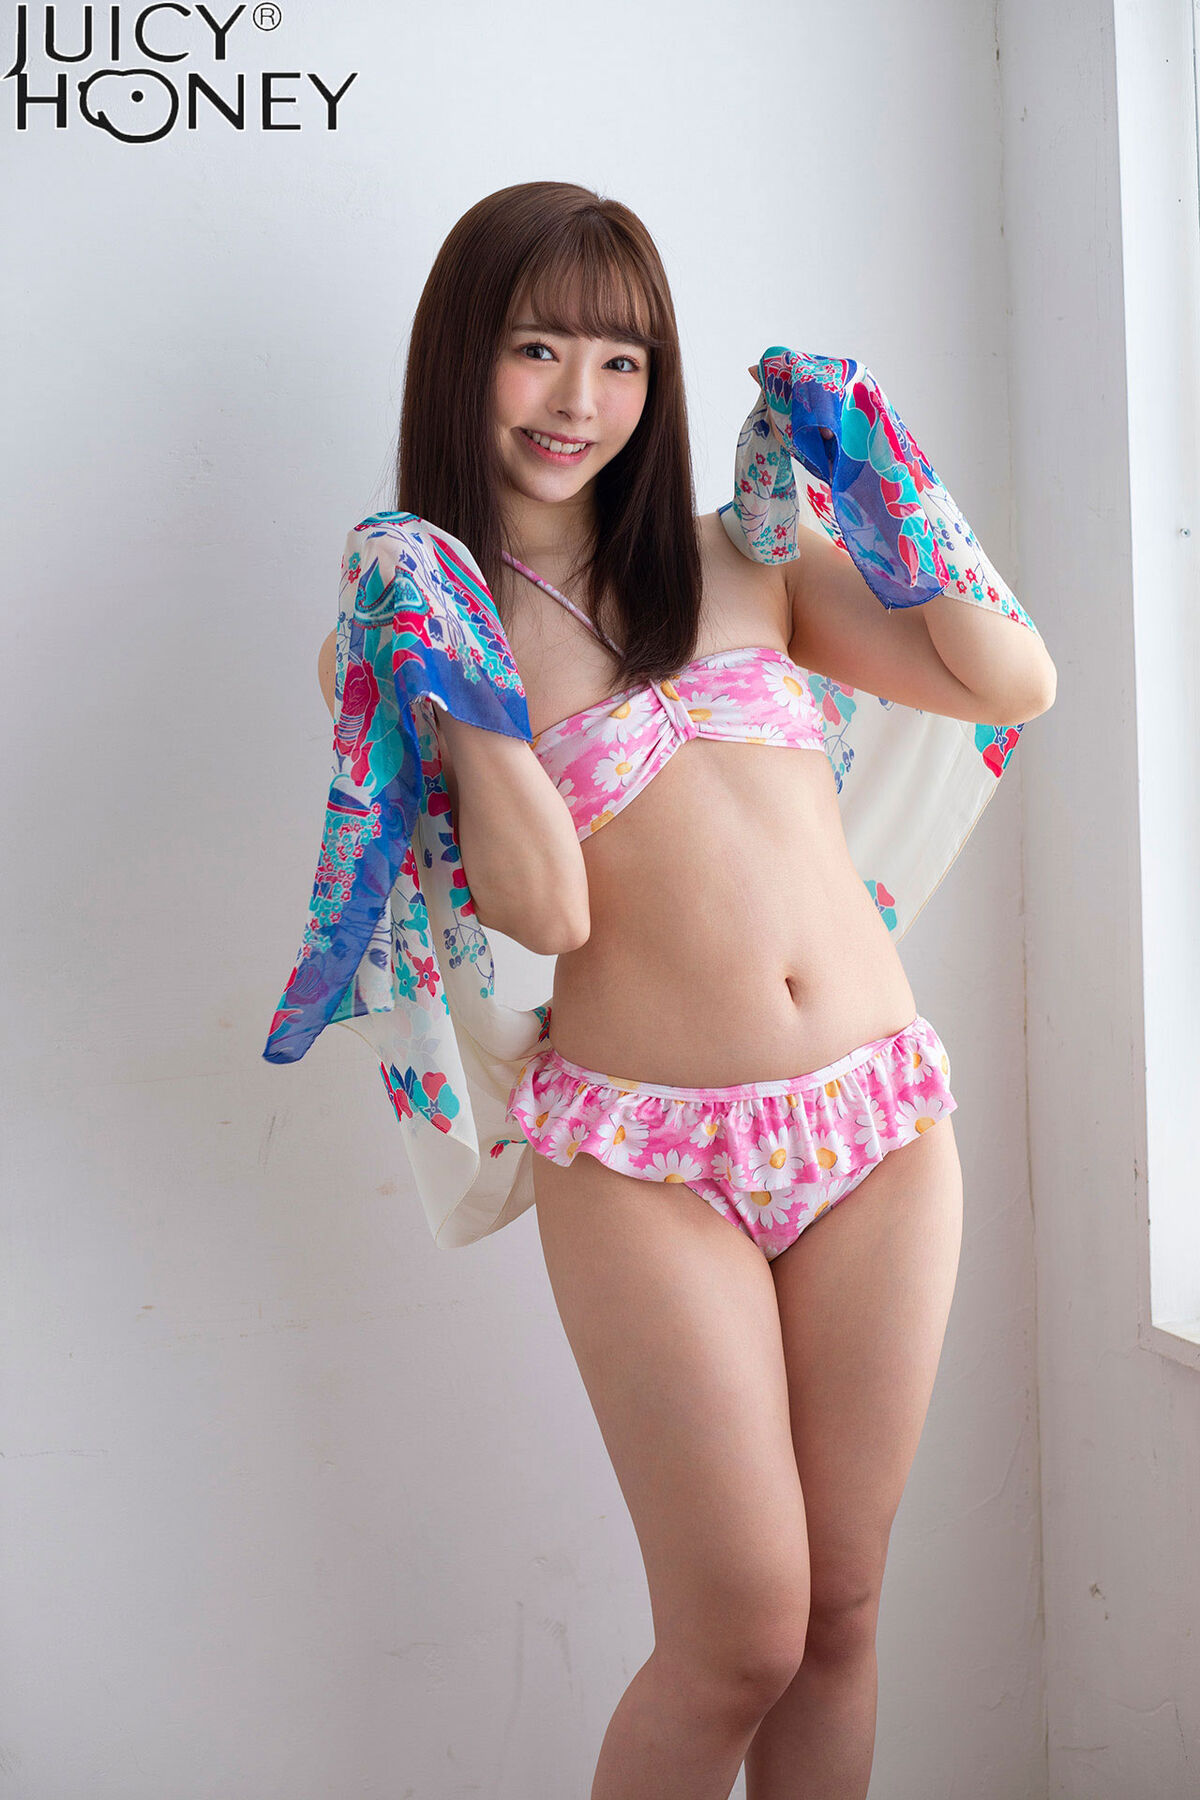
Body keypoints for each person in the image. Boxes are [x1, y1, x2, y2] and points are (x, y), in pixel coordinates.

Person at [312, 181, 1057, 1800]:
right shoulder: (413, 623)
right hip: (646, 1157)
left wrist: (885, 476)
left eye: (623, 360)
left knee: (841, 1615)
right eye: (536, 349)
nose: (579, 400)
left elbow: (1014, 680)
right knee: (737, 1638)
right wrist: (469, 683)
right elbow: (548, 905)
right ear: (461, 357)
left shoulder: (743, 559)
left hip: (876, 1120)